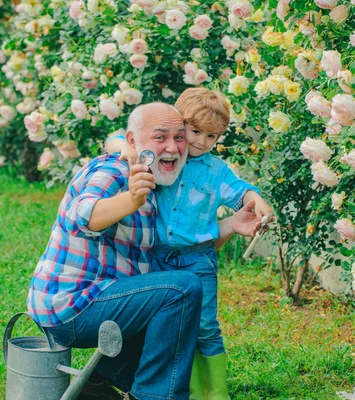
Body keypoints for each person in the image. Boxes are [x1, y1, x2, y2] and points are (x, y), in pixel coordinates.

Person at [27, 102, 263, 400]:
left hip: (105, 299)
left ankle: (97, 382)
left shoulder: (157, 185)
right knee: (180, 289)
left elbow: (185, 248)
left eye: (180, 137)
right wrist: (131, 200)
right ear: (132, 141)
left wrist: (230, 224)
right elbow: (79, 216)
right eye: (160, 137)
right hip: (72, 307)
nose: (174, 147)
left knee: (176, 321)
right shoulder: (115, 171)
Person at [105, 89, 272, 400]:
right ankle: (190, 389)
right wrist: (124, 150)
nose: (200, 142)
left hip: (198, 260)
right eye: (194, 131)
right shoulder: (167, 156)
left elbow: (240, 190)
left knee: (206, 326)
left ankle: (216, 393)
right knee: (172, 326)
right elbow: (119, 136)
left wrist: (255, 199)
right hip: (154, 256)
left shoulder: (215, 170)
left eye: (211, 136)